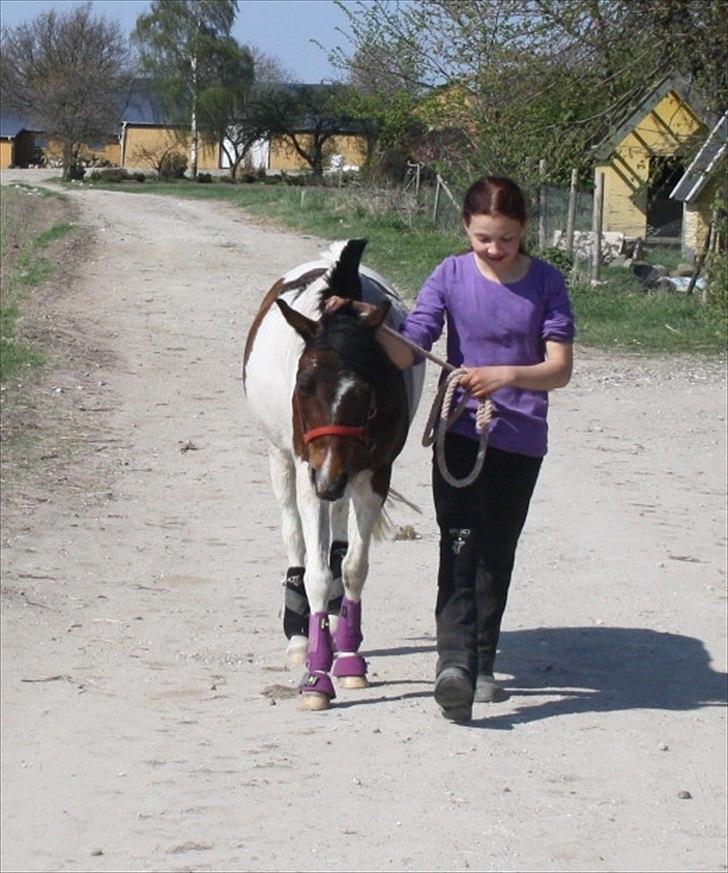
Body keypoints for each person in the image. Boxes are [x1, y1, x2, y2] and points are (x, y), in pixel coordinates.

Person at [327, 176, 574, 723]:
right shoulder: (449, 273)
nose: (494, 248)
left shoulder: (547, 283)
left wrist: (505, 374)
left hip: (521, 436)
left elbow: (560, 369)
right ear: (466, 227)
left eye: (505, 238)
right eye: (484, 237)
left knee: (497, 550)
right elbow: (411, 349)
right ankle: (454, 666)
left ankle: (484, 661)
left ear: (524, 231)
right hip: (460, 432)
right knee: (459, 543)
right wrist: (370, 324)